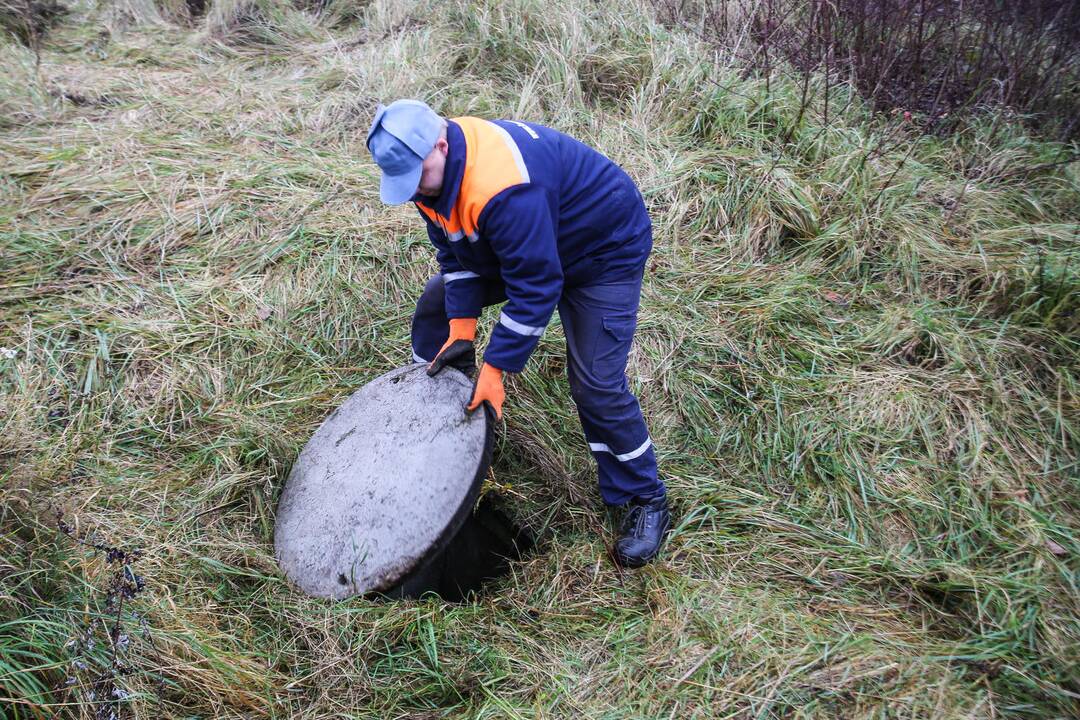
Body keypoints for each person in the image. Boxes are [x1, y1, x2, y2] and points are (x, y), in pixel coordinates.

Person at [365, 99, 670, 567]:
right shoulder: (430, 180)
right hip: (531, 245)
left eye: (417, 177)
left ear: (441, 144)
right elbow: (455, 257)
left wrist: (498, 367)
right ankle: (444, 402)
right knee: (437, 301)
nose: (412, 193)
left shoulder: (502, 186)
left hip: (600, 252)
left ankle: (642, 498)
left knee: (596, 386)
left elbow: (537, 289)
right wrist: (462, 329)